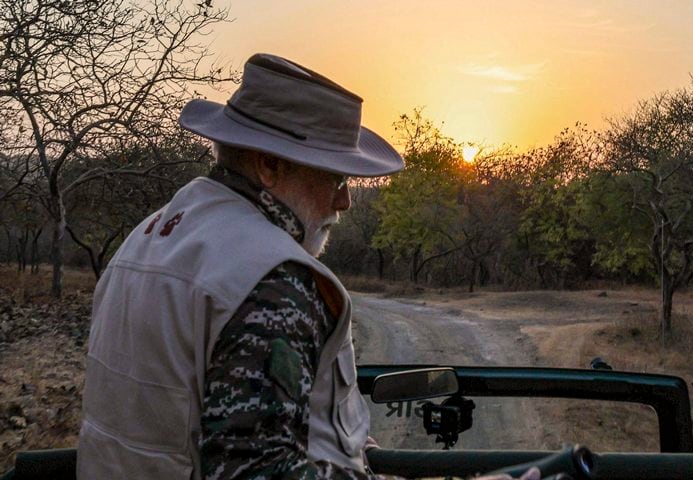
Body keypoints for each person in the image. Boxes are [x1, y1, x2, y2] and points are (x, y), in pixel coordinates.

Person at [77, 53, 538, 480]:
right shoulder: (271, 276)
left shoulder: (148, 237)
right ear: (271, 165)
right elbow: (258, 471)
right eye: (334, 177)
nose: (345, 199)